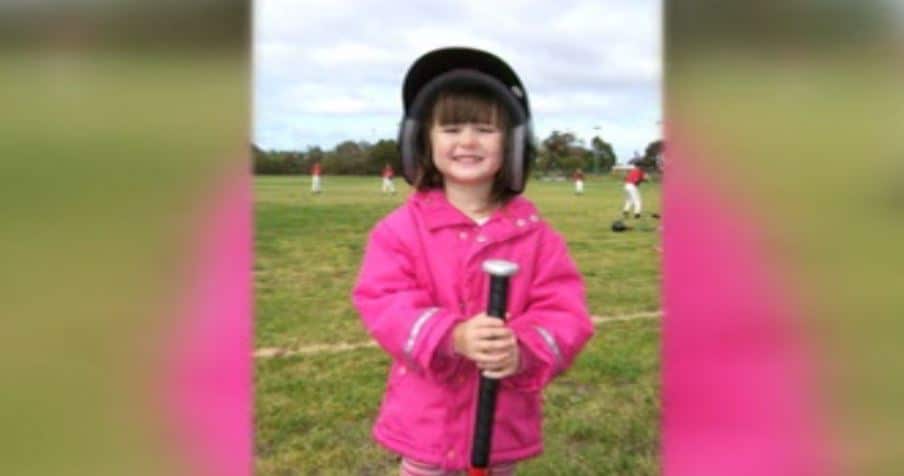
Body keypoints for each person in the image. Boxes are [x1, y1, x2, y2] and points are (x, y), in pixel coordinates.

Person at [352, 47, 594, 476]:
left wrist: (523, 350)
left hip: (499, 426)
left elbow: (565, 312)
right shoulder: (400, 230)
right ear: (423, 140)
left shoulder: (537, 236)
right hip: (426, 425)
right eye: (451, 128)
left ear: (513, 143)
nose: (467, 141)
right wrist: (452, 336)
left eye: (484, 129)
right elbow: (383, 300)